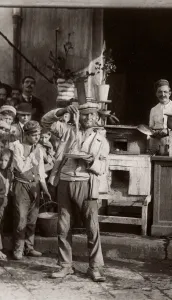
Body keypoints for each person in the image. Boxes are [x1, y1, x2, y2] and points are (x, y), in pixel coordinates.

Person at [41, 102, 110, 282]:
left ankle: (94, 267)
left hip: (86, 183)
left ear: (96, 118)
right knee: (63, 226)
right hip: (65, 181)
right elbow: (45, 121)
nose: (87, 118)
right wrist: (63, 110)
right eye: (84, 114)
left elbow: (103, 167)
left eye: (91, 115)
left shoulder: (101, 140)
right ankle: (65, 265)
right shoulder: (68, 130)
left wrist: (90, 162)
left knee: (92, 227)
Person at [10, 120, 51, 260]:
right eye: (34, 135)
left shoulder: (39, 149)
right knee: (20, 218)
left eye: (39, 135)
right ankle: (18, 249)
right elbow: (21, 168)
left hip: (35, 186)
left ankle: (29, 247)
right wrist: (32, 155)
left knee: (32, 218)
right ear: (26, 135)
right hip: (21, 185)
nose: (37, 138)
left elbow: (40, 172)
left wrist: (45, 189)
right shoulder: (17, 147)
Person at [149, 79, 172, 154]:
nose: (163, 94)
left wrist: (168, 131)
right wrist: (154, 132)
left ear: (170, 93)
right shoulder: (153, 109)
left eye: (165, 92)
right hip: (156, 144)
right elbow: (151, 127)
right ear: (156, 94)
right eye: (160, 92)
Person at [0, 148, 13, 260]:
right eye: (1, 160)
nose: (3, 163)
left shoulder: (8, 172)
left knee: (2, 224)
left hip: (5, 200)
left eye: (6, 160)